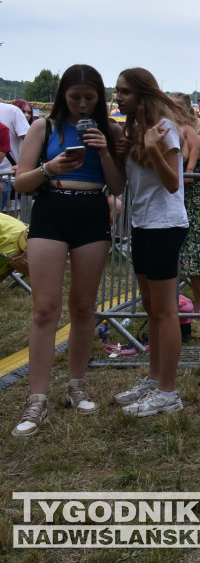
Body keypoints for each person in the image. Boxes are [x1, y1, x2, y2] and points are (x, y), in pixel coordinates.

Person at [10, 65, 126, 436]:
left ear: (99, 98)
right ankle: (36, 399)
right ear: (63, 95)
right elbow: (21, 182)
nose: (81, 105)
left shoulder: (110, 128)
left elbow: (118, 184)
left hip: (92, 212)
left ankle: (76, 386)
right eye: (74, 98)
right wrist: (50, 166)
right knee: (45, 308)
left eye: (89, 98)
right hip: (51, 211)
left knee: (82, 306)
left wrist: (105, 151)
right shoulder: (43, 127)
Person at [111, 67, 189, 417]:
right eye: (116, 91)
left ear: (142, 94)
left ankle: (168, 392)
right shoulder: (134, 130)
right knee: (151, 310)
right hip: (142, 225)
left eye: (124, 92)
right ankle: (154, 379)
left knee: (165, 311)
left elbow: (173, 184)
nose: (118, 97)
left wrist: (153, 149)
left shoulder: (164, 130)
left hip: (165, 225)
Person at [169, 93, 200, 316]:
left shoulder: (192, 135)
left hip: (196, 204)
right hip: (189, 202)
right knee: (191, 260)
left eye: (175, 107)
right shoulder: (175, 133)